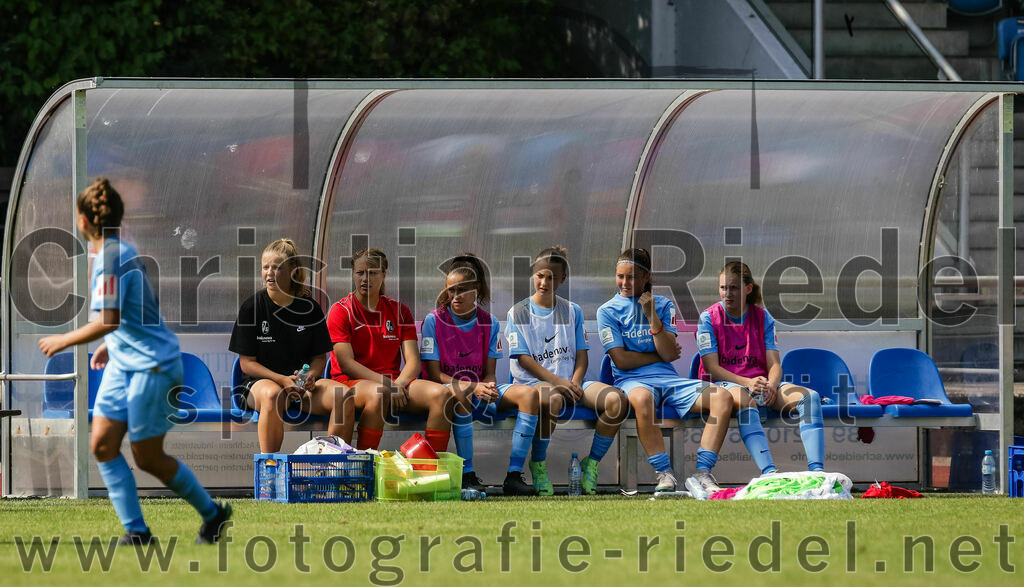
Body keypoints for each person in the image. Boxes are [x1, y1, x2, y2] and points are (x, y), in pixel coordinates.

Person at [38, 177, 230, 545]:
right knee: (103, 446)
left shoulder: (111, 257)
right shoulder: (119, 252)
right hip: (124, 363)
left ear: (81, 220)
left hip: (151, 367)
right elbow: (129, 316)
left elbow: (108, 318)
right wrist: (114, 343)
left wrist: (64, 338)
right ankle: (137, 532)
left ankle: (214, 514)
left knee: (147, 457)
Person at [597, 248, 769, 496]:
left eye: (632, 277)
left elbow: (668, 356)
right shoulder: (607, 311)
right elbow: (621, 361)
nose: (624, 283)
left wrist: (651, 316)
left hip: (669, 380)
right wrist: (659, 353)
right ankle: (664, 473)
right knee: (642, 398)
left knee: (723, 398)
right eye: (620, 276)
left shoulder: (664, 305)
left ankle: (702, 472)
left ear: (646, 277)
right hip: (632, 381)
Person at [506, 246, 628, 495]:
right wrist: (557, 382)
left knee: (617, 401)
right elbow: (524, 359)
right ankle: (538, 464)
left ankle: (591, 463)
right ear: (533, 274)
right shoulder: (518, 311)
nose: (544, 282)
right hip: (535, 383)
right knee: (552, 399)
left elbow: (581, 354)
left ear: (562, 279)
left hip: (571, 383)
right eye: (540, 275)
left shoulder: (573, 310)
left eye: (551, 277)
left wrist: (574, 380)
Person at [420, 253, 541, 495]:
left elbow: (490, 374)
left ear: (476, 290)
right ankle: (467, 473)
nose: (455, 296)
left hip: (479, 391)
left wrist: (489, 386)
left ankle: (514, 476)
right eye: (451, 290)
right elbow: (434, 376)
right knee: (463, 390)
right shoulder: (433, 321)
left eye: (462, 290)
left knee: (529, 395)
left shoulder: (490, 322)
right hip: (451, 393)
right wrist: (473, 387)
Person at [696, 261, 824, 472]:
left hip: (762, 387)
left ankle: (818, 472)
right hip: (723, 386)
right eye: (723, 288)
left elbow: (774, 364)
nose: (727, 293)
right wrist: (748, 382)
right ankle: (769, 473)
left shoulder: (764, 317)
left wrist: (772, 385)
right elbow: (711, 368)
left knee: (811, 398)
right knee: (745, 399)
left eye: (733, 288)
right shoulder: (708, 318)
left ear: (748, 289)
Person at [229, 238, 352, 453]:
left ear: (293, 271)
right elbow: (247, 364)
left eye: (276, 268)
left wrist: (310, 377)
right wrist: (282, 380)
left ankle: (333, 468)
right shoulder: (252, 307)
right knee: (272, 395)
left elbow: (319, 358)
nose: (269, 273)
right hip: (262, 385)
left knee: (344, 396)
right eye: (265, 267)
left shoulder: (310, 309)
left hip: (301, 387)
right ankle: (270, 469)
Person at [327, 247, 454, 453]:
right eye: (360, 273)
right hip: (354, 384)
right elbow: (347, 364)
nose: (366, 278)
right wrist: (389, 386)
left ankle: (429, 470)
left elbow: (412, 361)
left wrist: (399, 384)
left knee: (442, 395)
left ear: (384, 274)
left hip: (396, 384)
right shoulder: (341, 311)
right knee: (380, 393)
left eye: (373, 272)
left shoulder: (399, 311)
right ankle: (363, 464)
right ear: (353, 274)